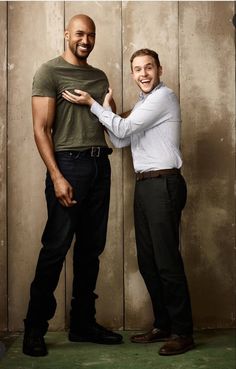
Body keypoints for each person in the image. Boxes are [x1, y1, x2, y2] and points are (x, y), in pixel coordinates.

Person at [62, 48, 195, 356]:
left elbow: (121, 129)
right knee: (149, 262)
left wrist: (95, 105)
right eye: (137, 69)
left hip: (164, 183)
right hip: (146, 186)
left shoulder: (164, 97)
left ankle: (183, 331)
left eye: (149, 67)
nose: (143, 73)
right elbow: (121, 140)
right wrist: (110, 108)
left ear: (159, 70)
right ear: (133, 74)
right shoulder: (143, 103)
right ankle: (163, 324)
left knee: (167, 262)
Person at [23, 14, 123, 357]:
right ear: (67, 34)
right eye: (80, 33)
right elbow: (41, 129)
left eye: (91, 35)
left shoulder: (99, 76)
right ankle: (34, 328)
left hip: (100, 164)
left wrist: (115, 110)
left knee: (90, 250)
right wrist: (57, 176)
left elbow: (107, 121)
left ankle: (83, 323)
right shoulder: (48, 72)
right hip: (68, 165)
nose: (86, 39)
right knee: (55, 248)